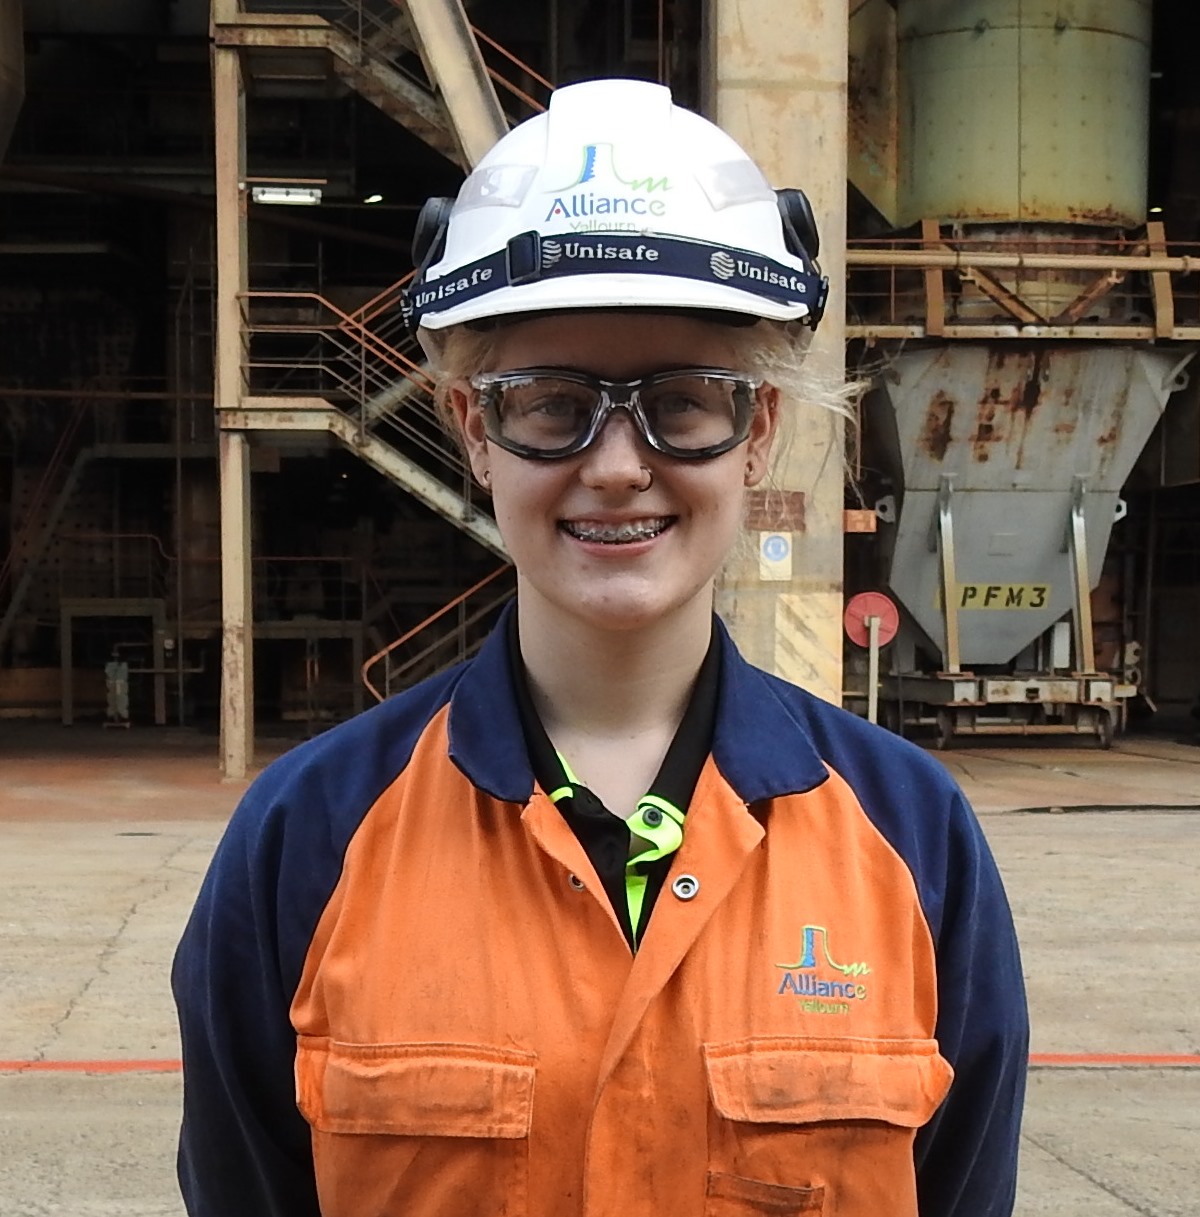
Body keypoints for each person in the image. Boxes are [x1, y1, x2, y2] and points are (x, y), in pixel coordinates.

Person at [173, 78, 1027, 1217]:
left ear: (759, 430)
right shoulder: (308, 838)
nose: (618, 465)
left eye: (684, 401)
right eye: (549, 402)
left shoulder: (913, 837)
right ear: (474, 430)